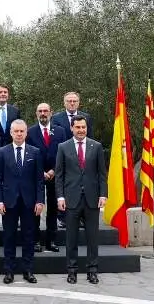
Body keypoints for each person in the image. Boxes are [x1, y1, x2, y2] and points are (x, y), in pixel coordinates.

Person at [55, 115, 106, 285]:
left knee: (92, 238)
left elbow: (101, 174)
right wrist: (60, 196)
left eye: (83, 127)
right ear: (72, 128)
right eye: (77, 127)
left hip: (92, 200)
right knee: (71, 239)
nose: (81, 130)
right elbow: (59, 175)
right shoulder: (63, 147)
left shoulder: (96, 146)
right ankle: (72, 271)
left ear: (86, 127)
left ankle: (92, 271)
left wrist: (103, 194)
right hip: (71, 200)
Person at [0, 119, 43, 284]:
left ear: (26, 132)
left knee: (29, 237)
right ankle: (9, 271)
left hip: (30, 202)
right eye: (16, 131)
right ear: (11, 133)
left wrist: (40, 201)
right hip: (9, 202)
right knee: (9, 237)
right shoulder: (2, 152)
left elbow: (39, 180)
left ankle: (28, 270)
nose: (19, 134)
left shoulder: (35, 152)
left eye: (22, 131)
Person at [26, 102, 68, 253]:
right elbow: (28, 154)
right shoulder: (29, 132)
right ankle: (35, 240)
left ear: (51, 113)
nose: (43, 113)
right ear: (36, 113)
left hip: (54, 175)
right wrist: (40, 172)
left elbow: (63, 154)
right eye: (40, 111)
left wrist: (53, 171)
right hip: (35, 175)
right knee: (35, 208)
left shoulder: (60, 131)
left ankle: (51, 240)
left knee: (52, 209)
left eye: (45, 111)